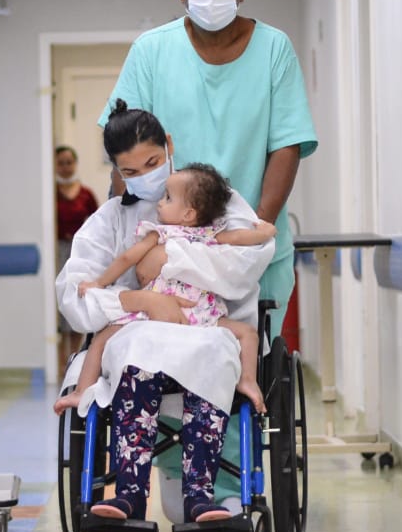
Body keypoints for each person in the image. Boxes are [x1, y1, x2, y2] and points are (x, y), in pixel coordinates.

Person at [56, 102, 274, 525]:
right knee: (134, 352)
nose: (147, 178)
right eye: (131, 171)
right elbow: (77, 293)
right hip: (146, 335)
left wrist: (169, 258)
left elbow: (247, 261)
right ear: (117, 171)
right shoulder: (113, 222)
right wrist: (138, 299)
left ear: (169, 146)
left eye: (153, 162)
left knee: (213, 352)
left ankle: (201, 495)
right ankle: (129, 495)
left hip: (206, 330)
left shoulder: (214, 202)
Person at [100, 0, 317, 320]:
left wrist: (254, 233)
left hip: (250, 246)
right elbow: (125, 146)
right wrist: (127, 235)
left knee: (251, 357)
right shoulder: (151, 51)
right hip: (168, 250)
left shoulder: (273, 49)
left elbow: (287, 144)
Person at [53, 159, 276, 418]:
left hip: (157, 313)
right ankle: (248, 379)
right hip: (199, 315)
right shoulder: (209, 234)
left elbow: (127, 259)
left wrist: (99, 283)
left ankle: (82, 389)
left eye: (168, 198)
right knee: (248, 333)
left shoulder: (158, 234)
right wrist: (265, 231)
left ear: (188, 214)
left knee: (101, 339)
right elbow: (240, 238)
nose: (159, 202)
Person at [54, 144, 99, 375]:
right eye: (60, 163)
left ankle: (79, 357)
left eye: (68, 162)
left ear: (75, 164)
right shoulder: (50, 193)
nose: (65, 167)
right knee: (61, 307)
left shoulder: (86, 194)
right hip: (58, 252)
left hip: (81, 253)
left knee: (80, 301)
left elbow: (98, 226)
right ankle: (62, 362)